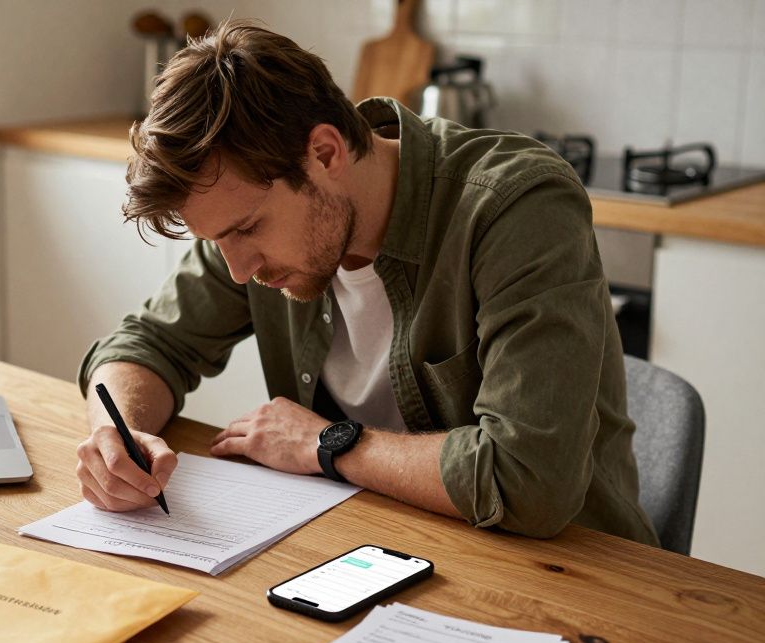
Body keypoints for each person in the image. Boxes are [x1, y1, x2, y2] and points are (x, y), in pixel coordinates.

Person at [75, 21, 658, 545]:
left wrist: (328, 444)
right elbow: (147, 344)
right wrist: (116, 433)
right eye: (216, 241)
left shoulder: (514, 207)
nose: (238, 269)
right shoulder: (249, 219)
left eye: (249, 229)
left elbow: (529, 480)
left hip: (570, 579)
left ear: (324, 153)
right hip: (378, 544)